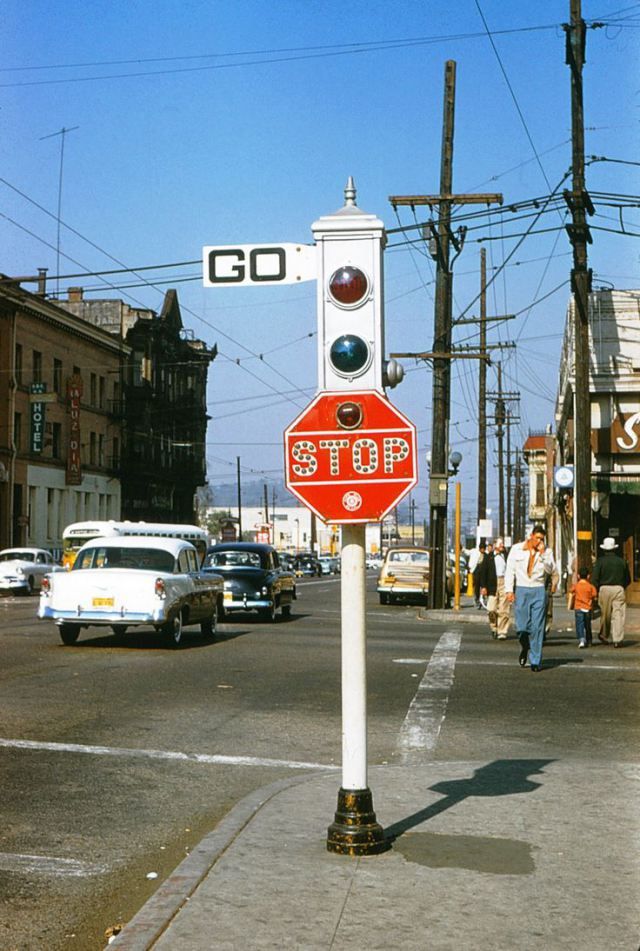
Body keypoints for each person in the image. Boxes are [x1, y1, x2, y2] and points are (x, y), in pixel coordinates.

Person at [504, 524, 555, 672]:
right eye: (537, 538)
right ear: (531, 536)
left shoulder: (546, 552)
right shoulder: (517, 549)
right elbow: (510, 571)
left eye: (542, 539)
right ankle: (525, 645)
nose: (539, 541)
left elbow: (550, 569)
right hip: (522, 589)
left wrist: (544, 554)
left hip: (538, 589)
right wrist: (509, 590)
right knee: (521, 627)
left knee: (538, 627)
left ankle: (535, 660)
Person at [592, 537, 631, 648]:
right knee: (618, 614)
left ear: (604, 549)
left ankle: (604, 634)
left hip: (604, 589)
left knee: (605, 614)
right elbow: (628, 578)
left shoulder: (600, 562)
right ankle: (617, 639)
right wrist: (622, 586)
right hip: (618, 588)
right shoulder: (622, 561)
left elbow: (595, 578)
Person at [476, 537, 510, 639]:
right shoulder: (489, 557)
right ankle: (494, 627)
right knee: (491, 609)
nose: (502, 546)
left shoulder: (506, 556)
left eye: (502, 544)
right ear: (495, 545)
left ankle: (502, 631)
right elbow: (483, 573)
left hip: (504, 582)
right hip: (492, 584)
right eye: (500, 544)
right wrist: (483, 587)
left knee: (504, 609)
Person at [569, 567, 597, 648]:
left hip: (578, 607)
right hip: (587, 607)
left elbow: (571, 591)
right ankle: (589, 640)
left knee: (579, 624)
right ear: (588, 576)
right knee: (588, 625)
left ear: (578, 576)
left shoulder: (576, 586)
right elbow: (594, 595)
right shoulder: (591, 586)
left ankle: (581, 639)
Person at [469, 540, 486, 608]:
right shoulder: (475, 552)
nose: (483, 550)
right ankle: (477, 599)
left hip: (483, 571)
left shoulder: (485, 555)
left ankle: (482, 599)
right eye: (482, 549)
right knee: (476, 586)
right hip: (476, 570)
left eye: (483, 549)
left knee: (483, 586)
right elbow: (468, 552)